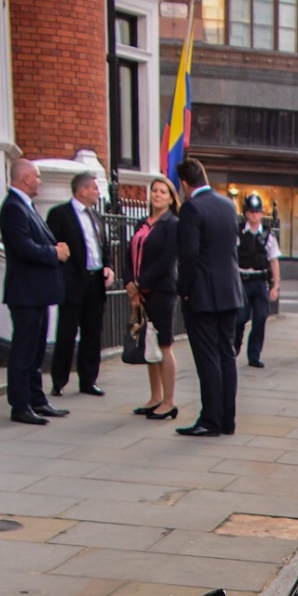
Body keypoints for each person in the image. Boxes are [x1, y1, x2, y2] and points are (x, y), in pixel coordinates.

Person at [0, 157, 70, 425]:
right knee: (24, 350)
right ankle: (20, 405)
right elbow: (24, 248)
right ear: (25, 178)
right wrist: (54, 252)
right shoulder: (13, 208)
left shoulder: (26, 206)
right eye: (37, 176)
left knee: (37, 350)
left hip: (37, 293)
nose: (39, 181)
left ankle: (37, 399)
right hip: (25, 294)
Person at [175, 156, 243, 438]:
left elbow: (188, 255)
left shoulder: (192, 208)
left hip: (203, 293)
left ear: (184, 184)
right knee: (226, 355)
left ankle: (210, 419)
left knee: (208, 359)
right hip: (230, 291)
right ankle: (227, 419)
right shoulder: (228, 204)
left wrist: (185, 289)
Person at [46, 170, 115, 396]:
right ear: (83, 190)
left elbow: (103, 247)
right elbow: (54, 248)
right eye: (95, 188)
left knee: (93, 332)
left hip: (95, 282)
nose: (98, 192)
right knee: (66, 332)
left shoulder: (96, 216)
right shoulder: (60, 214)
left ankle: (88, 380)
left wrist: (107, 266)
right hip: (73, 282)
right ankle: (59, 380)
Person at [126, 175, 180, 420]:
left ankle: (169, 401)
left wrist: (140, 284)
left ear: (170, 198)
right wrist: (129, 283)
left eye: (163, 192)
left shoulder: (172, 224)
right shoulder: (142, 223)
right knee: (149, 342)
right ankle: (155, 397)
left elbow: (166, 260)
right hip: (140, 290)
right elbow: (130, 253)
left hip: (161, 290)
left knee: (163, 344)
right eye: (155, 190)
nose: (157, 194)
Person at [235, 193, 281, 367]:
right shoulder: (238, 232)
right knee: (240, 318)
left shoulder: (269, 236)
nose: (254, 215)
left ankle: (254, 355)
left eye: (257, 211)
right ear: (246, 213)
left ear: (262, 214)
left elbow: (274, 261)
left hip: (260, 281)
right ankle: (235, 344)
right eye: (251, 211)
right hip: (241, 281)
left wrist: (276, 286)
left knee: (261, 317)